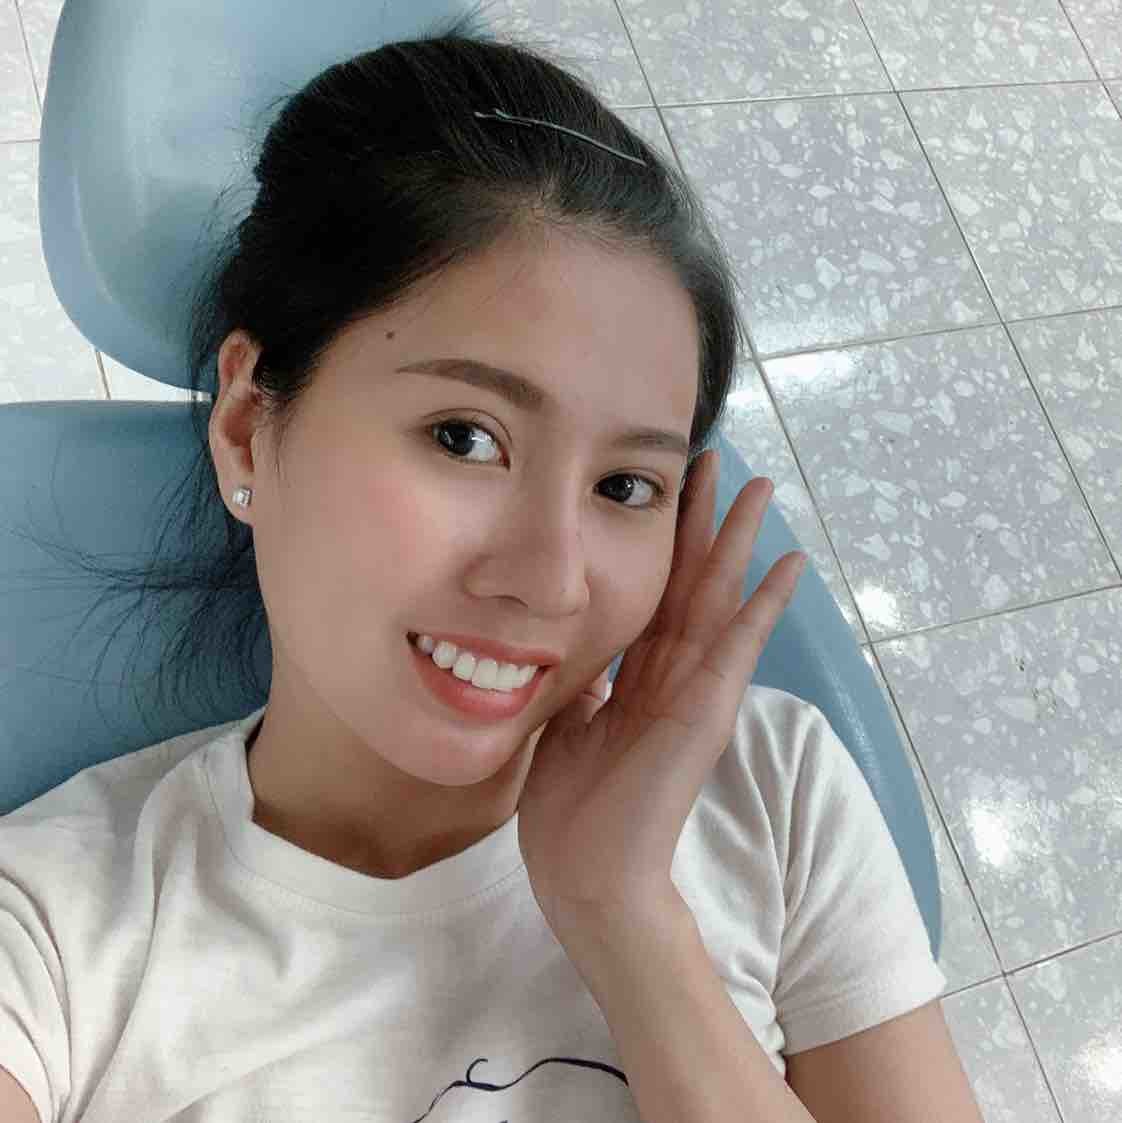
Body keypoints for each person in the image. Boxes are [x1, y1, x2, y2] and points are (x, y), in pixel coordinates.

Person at [0, 18, 946, 1122]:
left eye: (625, 485)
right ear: (250, 425)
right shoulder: (55, 939)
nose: (551, 581)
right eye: (464, 437)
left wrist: (626, 915)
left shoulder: (771, 793)